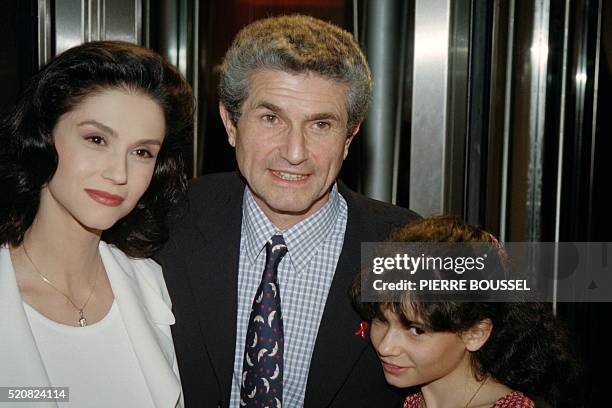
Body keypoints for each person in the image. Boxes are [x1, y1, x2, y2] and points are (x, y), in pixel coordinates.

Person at [156, 14, 419, 408]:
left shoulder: (408, 245)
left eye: (320, 125)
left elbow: (504, 372)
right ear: (231, 124)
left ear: (350, 137)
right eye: (271, 118)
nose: (294, 153)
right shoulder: (166, 219)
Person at [0, 41, 193, 407]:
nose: (118, 173)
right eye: (96, 139)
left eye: (141, 152)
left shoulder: (155, 286)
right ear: (43, 136)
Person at [351, 215, 579, 408]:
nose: (385, 346)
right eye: (381, 320)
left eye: (416, 330)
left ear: (475, 333)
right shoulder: (411, 401)